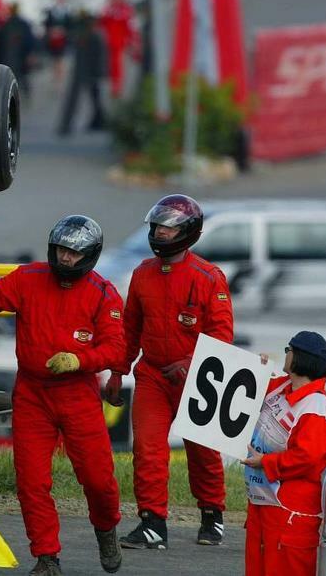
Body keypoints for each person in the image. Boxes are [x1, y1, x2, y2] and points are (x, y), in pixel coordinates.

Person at [0, 215, 124, 576]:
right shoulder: (28, 278)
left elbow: (116, 349)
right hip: (32, 394)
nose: (65, 258)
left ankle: (106, 528)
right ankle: (46, 557)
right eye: (62, 250)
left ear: (90, 256)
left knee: (98, 480)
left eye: (74, 254)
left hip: (78, 395)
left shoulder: (104, 293)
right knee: (31, 481)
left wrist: (80, 360)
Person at [109, 194, 233, 551]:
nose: (160, 233)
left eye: (168, 228)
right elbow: (129, 328)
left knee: (203, 450)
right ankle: (152, 523)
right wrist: (118, 372)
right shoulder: (142, 273)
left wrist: (192, 362)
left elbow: (223, 333)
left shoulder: (209, 277)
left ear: (187, 232)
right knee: (148, 449)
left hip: (198, 378)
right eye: (158, 226)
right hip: (152, 375)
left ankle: (212, 514)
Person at [242, 332, 326, 576]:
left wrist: (266, 462)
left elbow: (307, 459)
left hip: (290, 514)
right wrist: (256, 367)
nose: (285, 354)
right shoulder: (283, 387)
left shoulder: (317, 409)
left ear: (300, 358)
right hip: (264, 502)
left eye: (289, 349)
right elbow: (249, 386)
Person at [57, 9, 106, 136]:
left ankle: (96, 122)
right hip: (87, 71)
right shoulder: (92, 35)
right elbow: (100, 55)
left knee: (84, 98)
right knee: (93, 98)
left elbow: (100, 55)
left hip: (84, 71)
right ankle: (97, 121)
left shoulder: (89, 35)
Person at [98, 0, 138, 98]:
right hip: (107, 41)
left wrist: (133, 41)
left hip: (119, 41)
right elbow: (101, 23)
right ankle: (114, 85)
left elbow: (131, 25)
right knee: (110, 64)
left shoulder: (126, 9)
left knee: (117, 64)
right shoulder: (107, 8)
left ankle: (117, 87)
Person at [0, 2, 36, 99]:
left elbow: (1, 40)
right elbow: (29, 39)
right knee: (22, 76)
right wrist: (30, 53)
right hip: (19, 54)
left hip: (10, 55)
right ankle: (24, 95)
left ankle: (11, 95)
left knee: (13, 76)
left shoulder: (6, 23)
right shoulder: (22, 23)